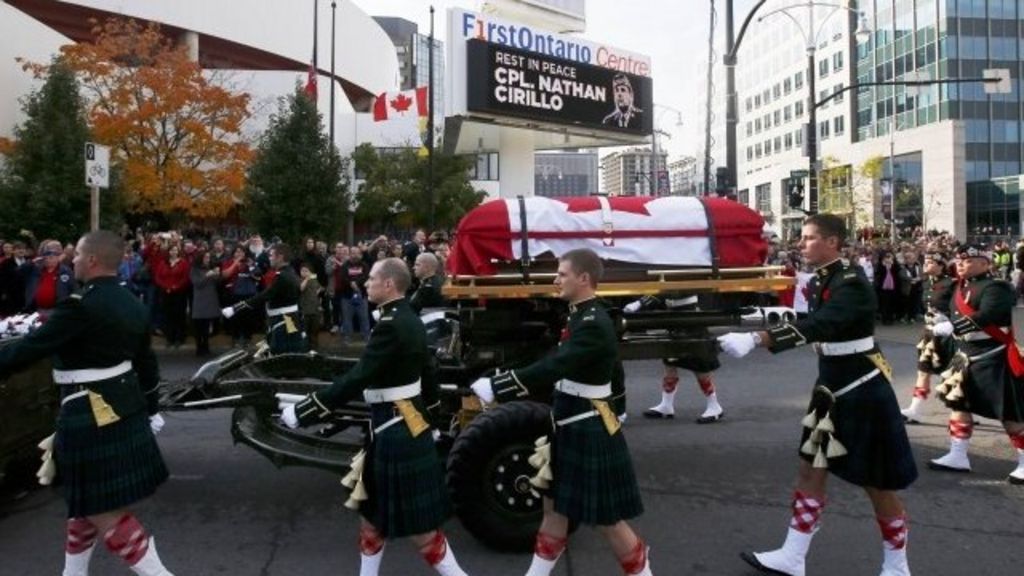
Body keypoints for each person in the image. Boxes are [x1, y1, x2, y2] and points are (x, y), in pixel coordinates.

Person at [718, 214, 916, 576]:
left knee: (877, 483)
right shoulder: (827, 278)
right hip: (831, 389)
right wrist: (761, 317)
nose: (801, 243)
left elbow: (824, 324)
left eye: (809, 238)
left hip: (860, 390)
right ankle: (793, 556)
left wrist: (759, 339)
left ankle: (897, 565)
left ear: (833, 243)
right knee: (811, 470)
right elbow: (815, 317)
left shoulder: (852, 281)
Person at [0, 230, 173, 576]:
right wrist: (152, 408)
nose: (72, 259)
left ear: (92, 260)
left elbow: (27, 349)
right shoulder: (133, 302)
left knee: (100, 509)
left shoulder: (80, 307)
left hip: (88, 412)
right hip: (125, 407)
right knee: (84, 504)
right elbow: (147, 364)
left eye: (77, 254)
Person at [281, 258, 467, 576]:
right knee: (371, 516)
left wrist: (305, 409)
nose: (366, 283)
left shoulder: (392, 325)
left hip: (396, 428)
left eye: (372, 279)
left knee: (421, 531)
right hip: (401, 422)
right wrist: (432, 420)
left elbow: (359, 376)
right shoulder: (410, 318)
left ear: (389, 284)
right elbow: (429, 372)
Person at [471, 248, 652, 576]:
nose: (555, 280)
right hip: (570, 422)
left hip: (587, 425)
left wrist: (502, 386)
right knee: (552, 509)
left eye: (562, 274)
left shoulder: (594, 321)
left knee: (607, 520)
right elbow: (553, 358)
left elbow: (559, 364)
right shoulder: (580, 314)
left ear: (584, 279)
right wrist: (499, 376)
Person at [927, 244, 1024, 484]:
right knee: (959, 404)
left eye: (968, 260)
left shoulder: (997, 287)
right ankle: (958, 455)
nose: (960, 264)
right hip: (965, 355)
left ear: (985, 263)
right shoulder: (958, 287)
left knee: (1008, 412)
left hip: (992, 356)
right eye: (959, 260)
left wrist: (954, 326)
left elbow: (989, 314)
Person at [623, 293, 725, 423]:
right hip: (674, 318)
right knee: (670, 362)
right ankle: (666, 405)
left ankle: (714, 405)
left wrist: (641, 303)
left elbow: (670, 290)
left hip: (690, 319)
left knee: (700, 366)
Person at [900, 251, 956, 423]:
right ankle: (915, 409)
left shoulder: (952, 284)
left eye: (931, 262)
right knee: (923, 371)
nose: (926, 264)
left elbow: (959, 308)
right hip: (929, 333)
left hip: (948, 334)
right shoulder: (925, 283)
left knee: (952, 374)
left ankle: (962, 408)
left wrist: (949, 321)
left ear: (941, 265)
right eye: (926, 261)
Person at [222, 243, 306, 355]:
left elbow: (264, 296)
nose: (269, 258)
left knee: (281, 352)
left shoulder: (283, 276)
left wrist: (235, 308)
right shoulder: (289, 272)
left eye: (271, 255)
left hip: (284, 321)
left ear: (280, 257)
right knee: (287, 349)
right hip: (288, 319)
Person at [24, 239, 76, 317]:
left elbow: (74, 290)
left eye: (51, 257)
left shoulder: (66, 271)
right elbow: (18, 272)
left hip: (57, 311)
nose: (48, 260)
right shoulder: (36, 270)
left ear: (57, 258)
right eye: (46, 258)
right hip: (37, 311)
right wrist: (31, 262)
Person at [190, 251, 221, 357]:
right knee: (199, 326)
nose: (208, 259)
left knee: (207, 326)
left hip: (210, 299)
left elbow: (217, 283)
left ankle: (206, 347)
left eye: (209, 257)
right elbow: (197, 283)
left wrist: (217, 274)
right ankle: (199, 347)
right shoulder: (195, 270)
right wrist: (207, 275)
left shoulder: (210, 268)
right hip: (200, 300)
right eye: (206, 257)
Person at [298, 262, 323, 351]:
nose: (304, 273)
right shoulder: (300, 280)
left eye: (306, 271)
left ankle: (314, 349)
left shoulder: (314, 280)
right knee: (305, 331)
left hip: (315, 309)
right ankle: (305, 348)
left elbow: (320, 288)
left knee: (314, 331)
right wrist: (306, 279)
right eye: (302, 271)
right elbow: (301, 288)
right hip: (305, 310)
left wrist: (317, 293)